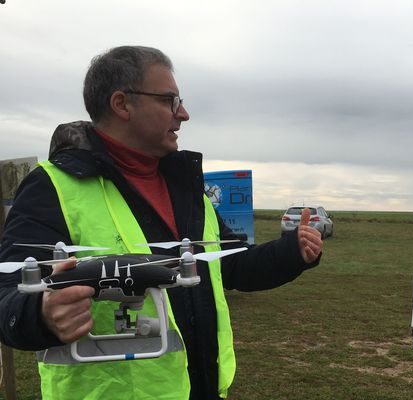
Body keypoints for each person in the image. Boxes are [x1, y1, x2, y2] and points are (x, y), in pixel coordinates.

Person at [0, 45, 323, 400]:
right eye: (170, 100)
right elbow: (7, 297)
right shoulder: (53, 186)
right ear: (122, 104)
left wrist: (293, 251)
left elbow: (228, 267)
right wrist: (41, 314)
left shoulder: (186, 188)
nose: (183, 114)